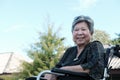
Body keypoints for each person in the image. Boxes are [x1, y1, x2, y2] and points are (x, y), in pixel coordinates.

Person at [44, 15, 105, 80]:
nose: (79, 33)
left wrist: (64, 69)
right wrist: (51, 73)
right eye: (76, 30)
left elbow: (95, 68)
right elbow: (57, 68)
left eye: (83, 29)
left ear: (91, 32)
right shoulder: (69, 51)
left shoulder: (95, 46)